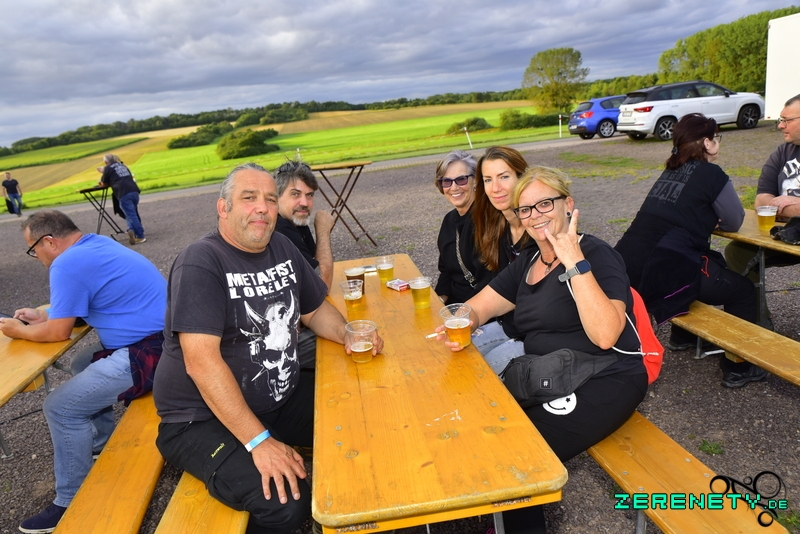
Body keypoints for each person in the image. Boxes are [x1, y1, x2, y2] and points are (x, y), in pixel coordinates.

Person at [152, 163, 383, 534]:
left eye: (271, 199)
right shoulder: (201, 261)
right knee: (285, 503)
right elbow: (201, 362)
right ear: (223, 208)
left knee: (364, 415)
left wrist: (347, 333)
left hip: (278, 398)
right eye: (249, 198)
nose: (262, 207)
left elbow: (314, 309)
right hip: (200, 418)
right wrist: (259, 441)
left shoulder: (281, 247)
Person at [440, 166, 647, 533]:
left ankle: (516, 519)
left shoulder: (596, 255)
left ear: (568, 204)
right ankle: (507, 515)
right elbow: (480, 306)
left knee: (519, 454)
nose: (535, 215)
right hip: (549, 373)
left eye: (545, 204)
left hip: (604, 377)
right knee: (478, 420)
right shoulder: (529, 261)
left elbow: (606, 335)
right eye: (525, 209)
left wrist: (574, 261)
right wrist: (459, 321)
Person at [0, 210, 166, 533]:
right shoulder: (96, 244)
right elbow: (86, 303)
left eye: (33, 249)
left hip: (152, 352)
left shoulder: (66, 263)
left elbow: (58, 333)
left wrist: (19, 330)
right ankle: (100, 443)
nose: (37, 257)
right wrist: (42, 314)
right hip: (163, 340)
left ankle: (69, 500)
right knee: (80, 364)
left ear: (49, 241)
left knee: (59, 407)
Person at [615, 113, 764, 388]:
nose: (717, 143)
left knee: (692, 264)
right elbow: (734, 221)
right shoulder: (712, 174)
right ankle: (738, 367)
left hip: (627, 265)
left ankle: (682, 337)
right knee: (741, 289)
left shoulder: (670, 171)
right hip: (661, 270)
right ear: (707, 142)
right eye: (716, 138)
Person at [433, 150, 513, 366]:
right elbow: (446, 270)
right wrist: (437, 303)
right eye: (446, 181)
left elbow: (493, 280)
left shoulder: (489, 220)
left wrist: (461, 316)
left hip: (483, 314)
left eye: (461, 179)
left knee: (446, 358)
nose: (454, 187)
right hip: (455, 311)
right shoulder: (449, 221)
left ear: (475, 182)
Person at [724, 93, 800, 309]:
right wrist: (792, 207)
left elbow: (770, 205)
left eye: (786, 120)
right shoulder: (783, 151)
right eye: (781, 120)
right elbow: (761, 200)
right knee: (736, 252)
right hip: (784, 233)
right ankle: (754, 320)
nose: (780, 126)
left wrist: (784, 205)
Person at [470, 146, 535, 371]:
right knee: (453, 355)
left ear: (522, 178)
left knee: (479, 371)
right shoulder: (498, 229)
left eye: (504, 177)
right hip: (508, 325)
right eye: (488, 180)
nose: (495, 188)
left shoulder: (538, 228)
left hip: (537, 335)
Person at [273, 161, 335, 369]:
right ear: (276, 197)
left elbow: (315, 274)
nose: (305, 202)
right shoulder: (280, 229)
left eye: (309, 195)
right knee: (351, 335)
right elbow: (323, 284)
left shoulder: (295, 221)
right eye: (295, 194)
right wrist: (323, 230)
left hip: (301, 319)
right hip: (281, 344)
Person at [97, 154, 146, 245]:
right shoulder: (122, 165)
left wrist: (103, 172)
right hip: (134, 191)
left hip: (123, 192)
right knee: (129, 214)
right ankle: (131, 230)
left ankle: (140, 236)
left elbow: (104, 183)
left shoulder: (107, 168)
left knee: (131, 215)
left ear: (106, 162)